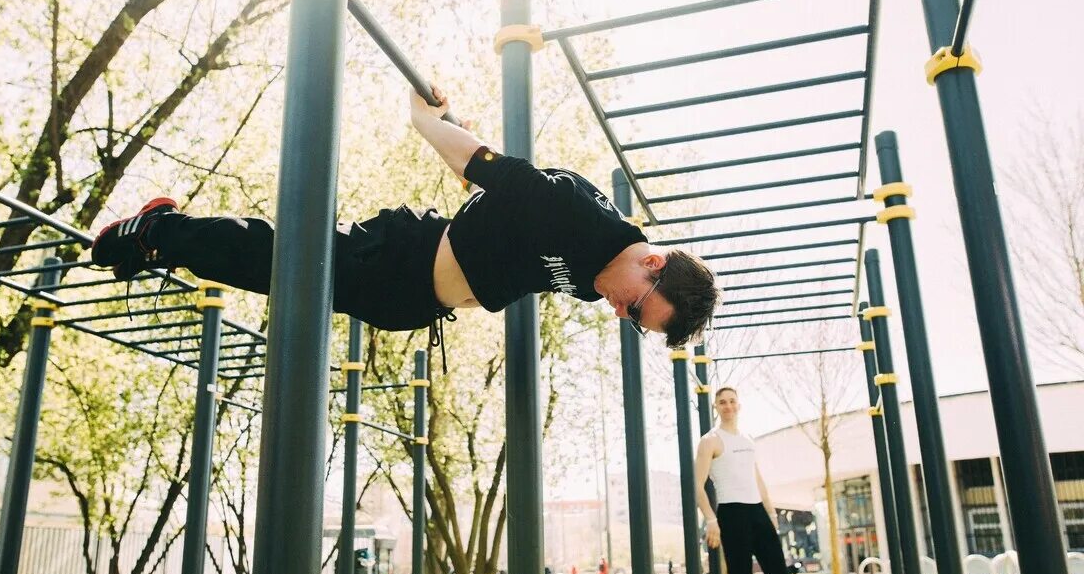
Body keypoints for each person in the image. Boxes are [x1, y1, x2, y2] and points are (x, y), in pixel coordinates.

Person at [89, 88, 719, 353]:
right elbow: (488, 169)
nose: (620, 314)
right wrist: (428, 122)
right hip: (402, 257)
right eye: (637, 310)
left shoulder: (596, 280)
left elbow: (499, 217)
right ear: (654, 264)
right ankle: (159, 234)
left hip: (415, 302)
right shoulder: (576, 208)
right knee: (287, 263)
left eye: (634, 323)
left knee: (290, 276)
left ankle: (165, 239)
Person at [694, 386, 791, 574]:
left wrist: (771, 513)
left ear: (739, 405)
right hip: (731, 512)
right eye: (722, 402)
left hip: (757, 510)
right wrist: (711, 519)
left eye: (732, 401)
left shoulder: (748, 439)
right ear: (716, 407)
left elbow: (756, 478)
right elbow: (697, 486)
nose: (728, 406)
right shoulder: (710, 440)